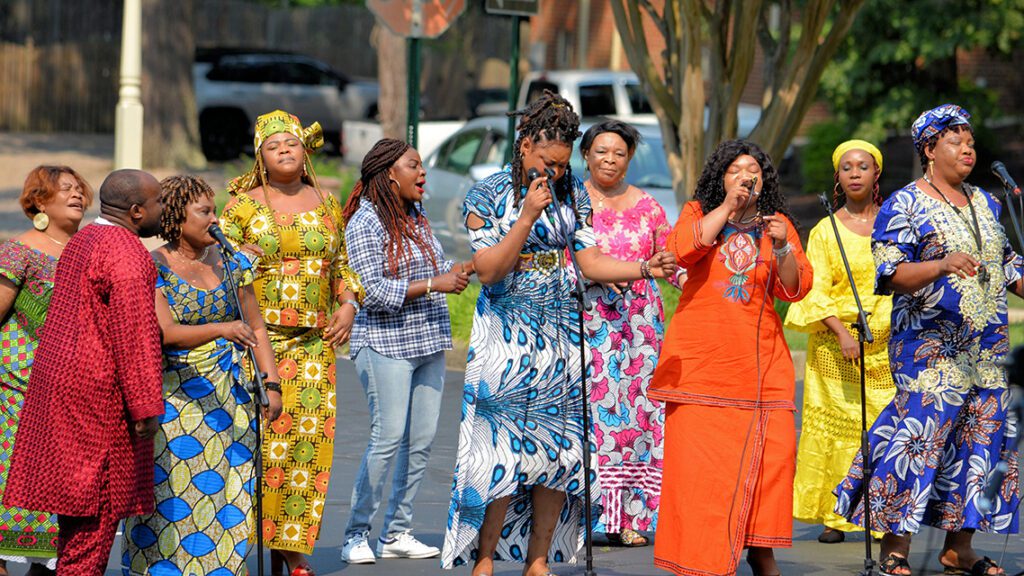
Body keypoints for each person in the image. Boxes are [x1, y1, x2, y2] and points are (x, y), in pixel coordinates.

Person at [442, 91, 678, 576]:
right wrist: (527, 215)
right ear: (525, 145)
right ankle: (483, 558)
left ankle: (539, 559)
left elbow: (589, 259)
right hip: (507, 337)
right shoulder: (485, 193)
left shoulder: (571, 191)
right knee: (501, 452)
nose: (554, 172)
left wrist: (642, 267)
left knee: (557, 452)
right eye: (547, 161)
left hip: (561, 332)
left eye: (562, 162)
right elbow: (489, 270)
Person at [834, 105, 1019, 576]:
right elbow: (889, 272)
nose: (967, 147)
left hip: (988, 348)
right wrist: (940, 264)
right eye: (955, 139)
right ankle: (897, 546)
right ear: (929, 150)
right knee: (921, 439)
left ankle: (960, 548)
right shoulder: (905, 204)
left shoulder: (987, 202)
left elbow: (1010, 267)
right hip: (929, 347)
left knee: (982, 441)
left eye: (970, 139)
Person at [649, 139, 813, 576]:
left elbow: (794, 289)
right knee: (701, 471)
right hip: (702, 364)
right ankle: (699, 562)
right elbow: (684, 249)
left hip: (761, 366)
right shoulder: (698, 212)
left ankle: (762, 552)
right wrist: (726, 206)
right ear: (721, 177)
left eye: (754, 170)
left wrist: (780, 247)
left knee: (773, 462)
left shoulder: (778, 225)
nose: (747, 175)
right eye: (737, 169)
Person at [220, 109, 362, 576]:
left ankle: (292, 550)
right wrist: (242, 257)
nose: (284, 149)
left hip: (313, 346)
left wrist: (347, 305)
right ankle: (257, 551)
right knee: (261, 447)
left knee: (307, 447)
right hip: (257, 343)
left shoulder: (326, 201)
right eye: (273, 144)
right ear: (260, 156)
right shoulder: (239, 206)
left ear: (305, 150)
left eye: (292, 142)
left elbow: (343, 265)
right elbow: (218, 267)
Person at [4, 169, 165, 574]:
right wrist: (145, 406)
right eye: (159, 203)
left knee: (74, 516)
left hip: (57, 387)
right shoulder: (127, 253)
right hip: (96, 399)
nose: (164, 212)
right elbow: (135, 334)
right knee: (94, 520)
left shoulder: (85, 240)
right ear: (136, 211)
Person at [120, 175, 284, 575]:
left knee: (230, 492)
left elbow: (256, 324)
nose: (215, 220)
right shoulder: (153, 266)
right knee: (173, 496)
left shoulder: (231, 261)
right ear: (176, 219)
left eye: (215, 210)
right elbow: (166, 334)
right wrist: (221, 329)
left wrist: (272, 383)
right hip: (176, 403)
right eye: (205, 212)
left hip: (231, 400)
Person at [339, 139, 473, 564]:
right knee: (387, 436)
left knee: (421, 442)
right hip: (384, 343)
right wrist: (435, 283)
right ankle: (355, 533)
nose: (422, 173)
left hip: (427, 341)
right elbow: (372, 290)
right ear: (388, 174)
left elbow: (427, 268)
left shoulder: (416, 215)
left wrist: (450, 272)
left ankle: (397, 532)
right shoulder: (366, 222)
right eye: (414, 165)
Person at [785, 140, 895, 544]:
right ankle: (833, 516)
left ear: (875, 174)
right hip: (838, 345)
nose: (854, 173)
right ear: (837, 176)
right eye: (846, 167)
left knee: (883, 426)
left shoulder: (893, 224)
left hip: (886, 343)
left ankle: (879, 513)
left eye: (862, 166)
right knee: (836, 430)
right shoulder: (824, 231)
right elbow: (814, 291)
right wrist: (842, 332)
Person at [579, 120, 680, 547]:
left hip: (639, 330)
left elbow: (673, 263)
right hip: (588, 321)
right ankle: (581, 519)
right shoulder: (570, 204)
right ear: (585, 155)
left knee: (640, 419)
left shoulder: (649, 207)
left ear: (630, 160)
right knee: (588, 418)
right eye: (601, 151)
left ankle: (631, 518)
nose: (610, 159)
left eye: (619, 153)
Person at [0, 166, 92, 575]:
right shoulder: (19, 251)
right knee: (9, 481)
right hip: (16, 389)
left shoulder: (89, 252)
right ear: (39, 201)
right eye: (65, 189)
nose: (77, 196)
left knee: (60, 490)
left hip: (71, 394)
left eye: (80, 190)